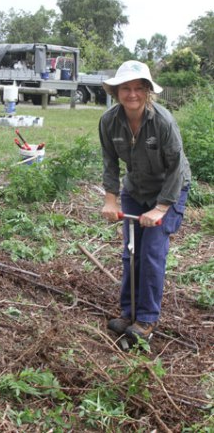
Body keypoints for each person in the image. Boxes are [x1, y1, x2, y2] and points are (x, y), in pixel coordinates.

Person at [99, 60, 191, 341]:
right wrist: (111, 199)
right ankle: (128, 312)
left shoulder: (163, 121)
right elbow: (110, 162)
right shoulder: (109, 121)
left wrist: (161, 207)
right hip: (135, 190)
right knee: (131, 252)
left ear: (148, 91)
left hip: (169, 189)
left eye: (139, 88)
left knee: (151, 253)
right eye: (126, 88)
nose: (132, 94)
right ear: (116, 92)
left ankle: (147, 320)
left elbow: (175, 168)